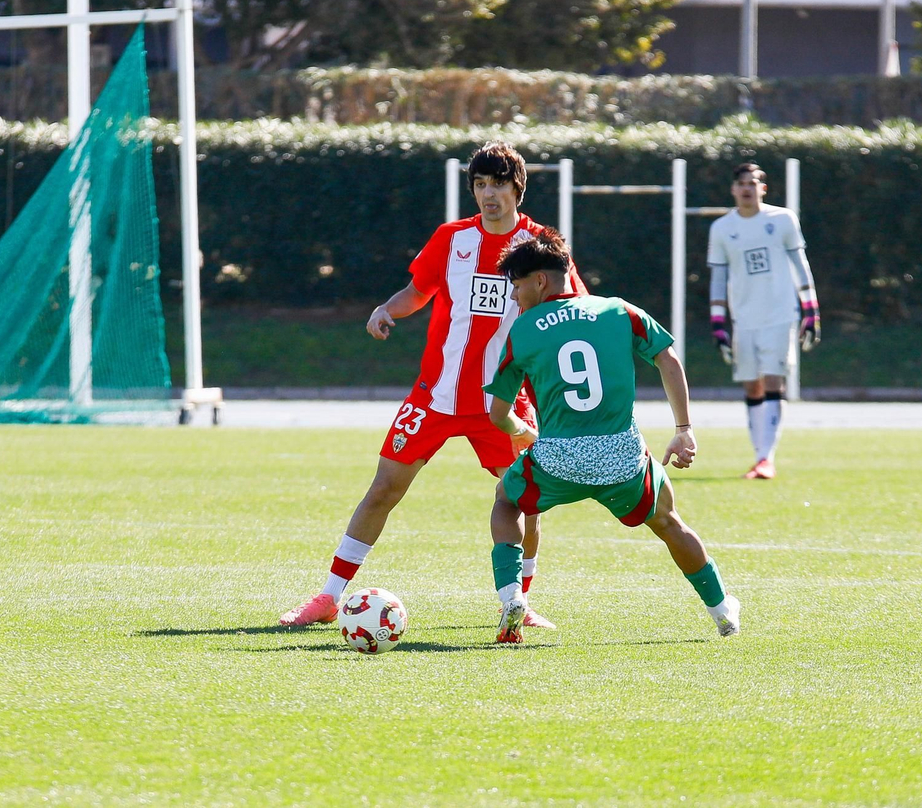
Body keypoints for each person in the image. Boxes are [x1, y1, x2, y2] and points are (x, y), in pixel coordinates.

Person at [279, 142, 583, 629]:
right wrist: (385, 309)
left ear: (517, 188)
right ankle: (328, 597)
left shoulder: (539, 245)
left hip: (502, 403)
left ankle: (519, 603)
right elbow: (418, 292)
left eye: (498, 184)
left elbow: (572, 307)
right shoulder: (451, 238)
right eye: (480, 184)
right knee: (383, 490)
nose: (489, 194)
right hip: (435, 396)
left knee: (527, 502)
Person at [483, 230, 741, 644]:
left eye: (516, 287)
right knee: (669, 522)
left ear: (540, 281)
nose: (515, 298)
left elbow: (497, 413)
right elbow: (667, 358)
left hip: (558, 457)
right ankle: (722, 610)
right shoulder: (619, 311)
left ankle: (513, 596)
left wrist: (523, 431)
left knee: (506, 501)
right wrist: (683, 430)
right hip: (621, 457)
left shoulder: (524, 330)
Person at [705, 162, 820, 479]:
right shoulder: (722, 228)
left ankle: (766, 458)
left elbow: (800, 265)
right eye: (741, 183)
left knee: (773, 380)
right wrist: (718, 323)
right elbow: (718, 277)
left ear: (763, 188)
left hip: (781, 315)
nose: (747, 188)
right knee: (751, 385)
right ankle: (759, 455)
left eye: (753, 183)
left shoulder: (782, 219)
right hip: (744, 319)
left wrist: (811, 311)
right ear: (733, 189)